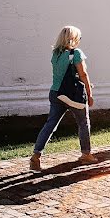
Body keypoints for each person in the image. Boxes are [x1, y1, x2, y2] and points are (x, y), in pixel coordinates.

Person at [30, 26, 98, 171]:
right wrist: (90, 92)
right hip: (72, 96)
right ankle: (86, 154)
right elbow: (83, 75)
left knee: (50, 125)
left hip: (56, 93)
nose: (79, 40)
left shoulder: (56, 53)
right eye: (79, 37)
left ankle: (36, 157)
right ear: (73, 38)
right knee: (83, 123)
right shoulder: (76, 53)